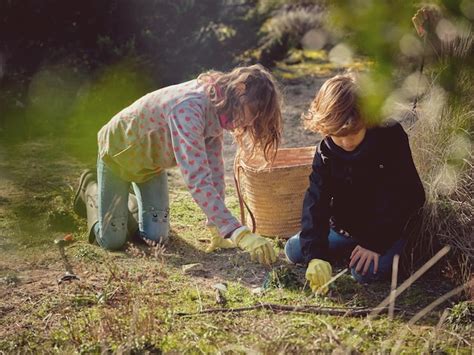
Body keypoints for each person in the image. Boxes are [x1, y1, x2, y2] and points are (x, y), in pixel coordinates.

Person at [73, 64, 281, 265]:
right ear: (239, 89)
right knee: (113, 241)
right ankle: (91, 187)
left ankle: (124, 201)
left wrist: (218, 228)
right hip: (117, 157)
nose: (248, 123)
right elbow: (197, 178)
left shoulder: (219, 108)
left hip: (151, 167)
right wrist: (237, 232)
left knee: (156, 238)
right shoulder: (189, 107)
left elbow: (214, 171)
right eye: (251, 113)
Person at [284, 74, 425, 291]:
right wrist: (316, 256)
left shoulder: (390, 137)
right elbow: (316, 200)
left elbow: (410, 196)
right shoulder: (325, 151)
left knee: (363, 273)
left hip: (389, 230)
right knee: (295, 249)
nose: (346, 142)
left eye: (354, 133)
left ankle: (395, 251)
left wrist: (374, 243)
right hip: (345, 229)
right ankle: (349, 249)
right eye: (337, 135)